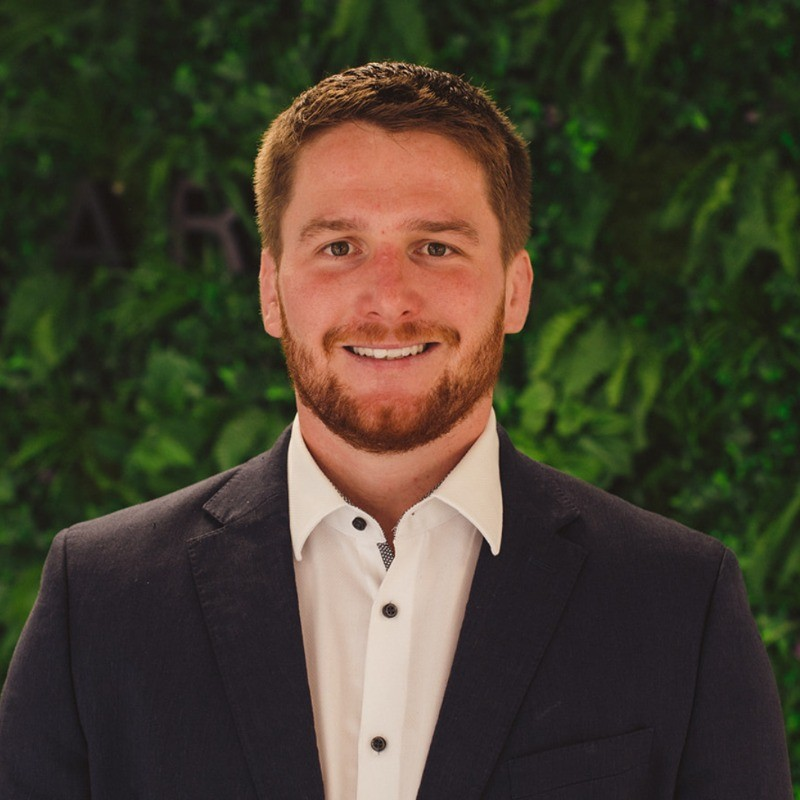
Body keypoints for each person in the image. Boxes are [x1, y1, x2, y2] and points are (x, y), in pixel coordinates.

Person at [0, 62, 792, 800]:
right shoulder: (98, 597)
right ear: (271, 290)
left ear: (515, 290)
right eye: (340, 247)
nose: (388, 299)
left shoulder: (679, 601)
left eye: (436, 247)